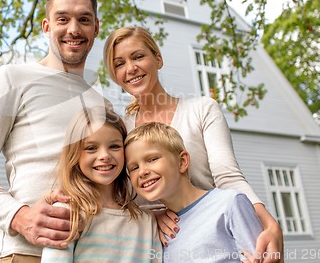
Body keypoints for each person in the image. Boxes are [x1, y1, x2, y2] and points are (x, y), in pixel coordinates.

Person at [0, 0, 111, 262]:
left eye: (84, 19)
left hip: (95, 253)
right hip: (28, 252)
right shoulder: (13, 78)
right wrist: (20, 217)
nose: (74, 29)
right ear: (46, 26)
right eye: (62, 19)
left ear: (96, 27)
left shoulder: (103, 103)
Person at [103, 26, 283, 262]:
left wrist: (270, 225)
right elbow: (117, 198)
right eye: (119, 64)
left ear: (158, 58)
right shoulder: (121, 131)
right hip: (157, 245)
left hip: (212, 238)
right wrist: (150, 217)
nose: (131, 68)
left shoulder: (202, 109)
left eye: (138, 56)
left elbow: (228, 177)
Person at [125, 122, 263, 262]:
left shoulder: (230, 203)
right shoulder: (157, 229)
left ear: (182, 161)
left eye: (152, 159)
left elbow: (260, 257)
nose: (142, 172)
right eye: (134, 168)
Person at [41, 107, 162, 262]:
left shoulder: (146, 221)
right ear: (75, 154)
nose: (104, 156)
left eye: (114, 146)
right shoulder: (67, 214)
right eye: (91, 148)